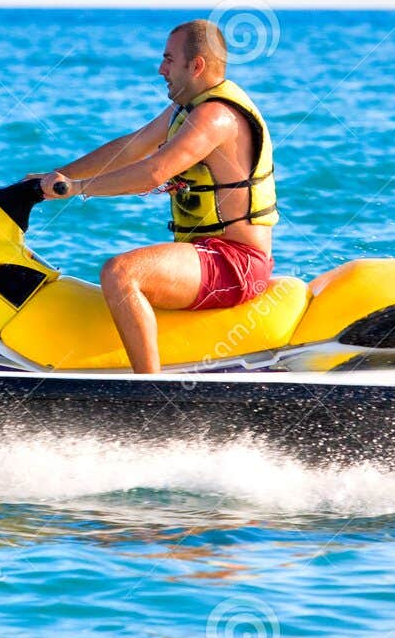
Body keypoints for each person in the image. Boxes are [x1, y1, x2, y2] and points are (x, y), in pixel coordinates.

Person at [37, 19, 278, 373]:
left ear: (195, 65)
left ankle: (149, 393)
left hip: (236, 263)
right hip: (209, 255)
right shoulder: (189, 108)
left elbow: (154, 171)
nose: (161, 69)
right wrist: (59, 175)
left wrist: (76, 190)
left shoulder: (215, 116)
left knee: (121, 273)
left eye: (168, 59)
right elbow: (131, 146)